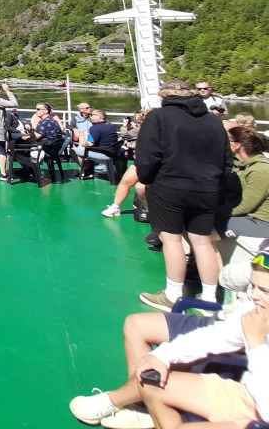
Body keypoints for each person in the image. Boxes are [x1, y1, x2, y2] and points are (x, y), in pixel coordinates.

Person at [68, 251, 269, 429]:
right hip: (246, 394)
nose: (254, 297)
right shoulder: (255, 311)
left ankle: (119, 402)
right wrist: (162, 356)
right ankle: (139, 409)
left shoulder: (256, 329)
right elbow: (216, 336)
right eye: (253, 287)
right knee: (150, 377)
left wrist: (256, 343)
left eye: (265, 291)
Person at [136, 80, 233, 312]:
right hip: (208, 188)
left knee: (172, 239)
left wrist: (148, 179)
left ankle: (172, 294)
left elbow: (148, 156)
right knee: (203, 242)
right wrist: (212, 182)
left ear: (164, 97)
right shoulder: (212, 120)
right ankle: (210, 298)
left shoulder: (159, 117)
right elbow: (226, 160)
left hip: (169, 186)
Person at [220, 126, 269, 240]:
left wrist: (213, 211)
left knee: (203, 234)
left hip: (261, 222)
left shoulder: (260, 170)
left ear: (238, 146)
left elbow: (245, 206)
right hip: (249, 217)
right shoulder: (240, 165)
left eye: (226, 140)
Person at [101, 111, 150, 218]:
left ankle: (155, 213)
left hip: (155, 161)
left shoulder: (143, 130)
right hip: (142, 160)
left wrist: (124, 126)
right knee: (126, 181)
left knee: (142, 187)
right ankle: (115, 207)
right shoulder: (142, 130)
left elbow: (125, 135)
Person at [75, 109, 121, 178]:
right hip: (113, 151)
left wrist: (83, 143)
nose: (90, 117)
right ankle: (89, 171)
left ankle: (87, 171)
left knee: (74, 151)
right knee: (88, 150)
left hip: (104, 153)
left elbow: (90, 144)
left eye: (92, 115)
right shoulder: (111, 126)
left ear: (99, 117)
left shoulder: (94, 128)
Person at [30, 102, 67, 182]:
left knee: (21, 152)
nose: (36, 111)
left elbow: (34, 138)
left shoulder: (44, 122)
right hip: (54, 149)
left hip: (46, 150)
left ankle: (32, 174)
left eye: (38, 109)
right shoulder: (53, 120)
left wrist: (22, 136)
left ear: (46, 111)